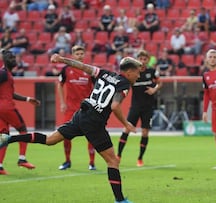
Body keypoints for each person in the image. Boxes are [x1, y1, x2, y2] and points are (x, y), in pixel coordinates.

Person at [0, 53, 142, 203]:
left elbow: (82, 66)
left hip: (81, 114)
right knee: (113, 161)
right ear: (129, 72)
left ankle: (9, 138)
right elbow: (115, 106)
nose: (138, 76)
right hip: (94, 121)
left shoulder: (105, 73)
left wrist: (62, 60)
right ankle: (120, 200)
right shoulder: (124, 84)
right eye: (138, 72)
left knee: (50, 140)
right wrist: (126, 124)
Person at [117, 49, 162, 167]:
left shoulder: (152, 71)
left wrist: (154, 89)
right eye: (140, 59)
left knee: (145, 132)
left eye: (145, 59)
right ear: (137, 60)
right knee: (127, 129)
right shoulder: (132, 73)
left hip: (148, 107)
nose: (142, 61)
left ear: (148, 60)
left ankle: (140, 158)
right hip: (135, 107)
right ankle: (118, 155)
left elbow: (160, 82)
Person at [0, 49, 40, 175]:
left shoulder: (7, 74)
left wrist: (27, 99)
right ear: (4, 60)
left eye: (14, 57)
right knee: (23, 130)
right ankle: (22, 159)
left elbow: (10, 93)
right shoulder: (3, 73)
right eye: (10, 57)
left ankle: (0, 166)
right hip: (7, 108)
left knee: (4, 137)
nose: (13, 59)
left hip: (1, 109)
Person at [57, 45, 97, 170]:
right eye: (77, 54)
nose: (79, 56)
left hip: (86, 109)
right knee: (65, 135)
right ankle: (67, 161)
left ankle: (91, 163)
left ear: (84, 55)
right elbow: (60, 85)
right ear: (73, 55)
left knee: (91, 135)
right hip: (70, 109)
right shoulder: (66, 69)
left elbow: (96, 88)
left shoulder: (90, 70)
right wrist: (63, 103)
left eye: (81, 54)